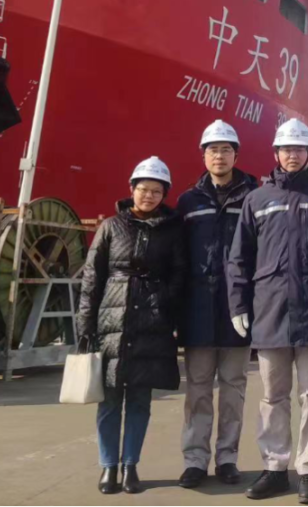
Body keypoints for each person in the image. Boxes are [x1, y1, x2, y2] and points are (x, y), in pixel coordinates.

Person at [227, 118, 308, 504]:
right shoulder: (257, 200)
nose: (292, 155)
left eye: (299, 149)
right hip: (270, 312)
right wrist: (238, 303)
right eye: (286, 149)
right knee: (272, 396)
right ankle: (275, 468)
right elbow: (239, 257)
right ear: (276, 153)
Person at [77, 156, 185, 495]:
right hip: (112, 322)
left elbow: (180, 275)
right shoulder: (111, 227)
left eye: (156, 191)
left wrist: (165, 306)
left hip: (151, 324)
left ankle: (130, 466)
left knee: (140, 400)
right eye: (143, 189)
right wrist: (85, 325)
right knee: (109, 400)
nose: (149, 196)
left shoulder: (173, 230)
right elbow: (92, 278)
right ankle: (108, 466)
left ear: (164, 194)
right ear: (131, 189)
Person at [176, 120, 259, 488]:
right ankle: (195, 459)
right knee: (196, 389)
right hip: (197, 310)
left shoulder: (254, 197)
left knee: (233, 389)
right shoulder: (188, 201)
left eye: (226, 150)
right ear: (204, 156)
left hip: (239, 310)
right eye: (213, 150)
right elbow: (178, 259)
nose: (219, 156)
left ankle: (227, 458)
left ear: (236, 156)